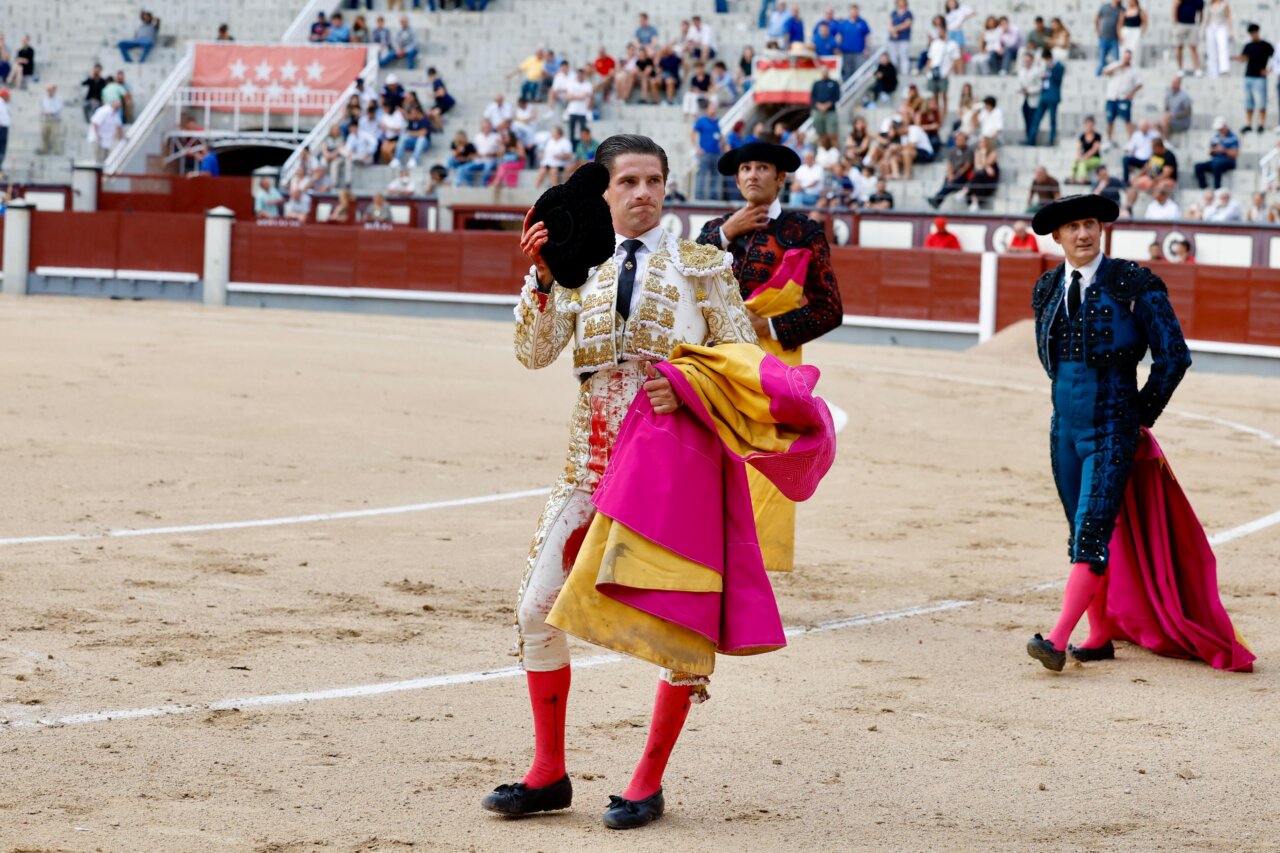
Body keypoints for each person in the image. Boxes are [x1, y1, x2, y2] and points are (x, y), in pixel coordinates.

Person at [489, 133, 760, 831]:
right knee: (535, 609)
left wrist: (689, 384)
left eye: (654, 181)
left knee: (679, 628)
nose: (643, 193)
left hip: (672, 471)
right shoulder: (577, 266)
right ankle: (548, 773)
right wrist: (542, 279)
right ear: (604, 192)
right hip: (589, 462)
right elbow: (532, 354)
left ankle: (647, 781)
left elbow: (745, 362)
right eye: (628, 182)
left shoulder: (702, 265)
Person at [1026, 193, 1204, 674]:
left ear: (1101, 229)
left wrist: (1139, 415)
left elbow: (1174, 357)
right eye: (1073, 227)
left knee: (1091, 534)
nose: (1083, 234)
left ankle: (1057, 639)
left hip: (1111, 428)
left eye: (1090, 224)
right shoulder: (1047, 288)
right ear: (1058, 236)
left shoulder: (1133, 283)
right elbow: (1050, 362)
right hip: (1064, 430)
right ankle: (1100, 634)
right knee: (1081, 532)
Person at [696, 140, 843, 571]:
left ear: (780, 178)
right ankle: (709, 548)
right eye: (745, 169)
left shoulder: (803, 231)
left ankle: (757, 558)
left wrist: (770, 326)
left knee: (767, 452)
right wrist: (727, 233)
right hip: (719, 360)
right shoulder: (714, 229)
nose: (752, 175)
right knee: (713, 449)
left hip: (772, 365)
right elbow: (687, 279)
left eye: (762, 168)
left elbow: (830, 308)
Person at [1236, 24, 1274, 134]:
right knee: (1249, 102)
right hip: (1249, 76)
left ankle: (1261, 124)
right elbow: (1244, 58)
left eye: (1255, 32)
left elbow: (1276, 58)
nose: (1254, 35)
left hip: (1260, 78)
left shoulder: (1266, 45)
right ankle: (1249, 124)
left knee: (1262, 102)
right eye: (1252, 33)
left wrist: (1269, 70)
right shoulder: (1248, 46)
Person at [1102, 50, 1142, 145]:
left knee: (1127, 119)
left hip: (1124, 97)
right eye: (1125, 57)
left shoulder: (1134, 70)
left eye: (1128, 57)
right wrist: (1119, 66)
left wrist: (1131, 94)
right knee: (1109, 119)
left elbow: (1139, 83)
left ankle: (1131, 142)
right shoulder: (1116, 65)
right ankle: (1109, 140)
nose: (1126, 59)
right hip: (1112, 97)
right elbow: (1104, 72)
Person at [926, 16, 961, 123]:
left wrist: (950, 71)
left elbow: (955, 59)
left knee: (943, 95)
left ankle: (943, 115)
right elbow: (930, 58)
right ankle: (937, 115)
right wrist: (928, 70)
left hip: (944, 73)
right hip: (934, 72)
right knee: (935, 95)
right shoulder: (934, 43)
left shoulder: (952, 44)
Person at [1125, 136, 1177, 209]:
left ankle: (1158, 210)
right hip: (1152, 178)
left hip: (1167, 180)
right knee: (1135, 184)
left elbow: (1166, 174)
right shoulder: (1154, 154)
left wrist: (1154, 182)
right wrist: (1136, 177)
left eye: (1153, 147)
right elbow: (1146, 168)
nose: (1152, 149)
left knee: (1159, 188)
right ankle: (1129, 207)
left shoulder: (1169, 156)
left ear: (1158, 146)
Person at [1026, 49, 1065, 146]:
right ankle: (1030, 140)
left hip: (1053, 96)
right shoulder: (1045, 67)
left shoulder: (1059, 66)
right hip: (1044, 95)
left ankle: (1051, 141)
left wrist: (1052, 69)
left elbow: (1058, 79)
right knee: (1036, 119)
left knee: (1052, 120)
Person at [927, 129, 973, 208]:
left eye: (961, 139)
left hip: (963, 176)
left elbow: (966, 166)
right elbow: (949, 164)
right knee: (947, 180)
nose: (959, 141)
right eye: (958, 139)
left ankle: (937, 199)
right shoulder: (952, 151)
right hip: (954, 174)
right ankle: (938, 200)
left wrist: (955, 176)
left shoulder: (969, 151)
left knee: (952, 182)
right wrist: (950, 174)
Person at [692, 100, 724, 200]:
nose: (713, 109)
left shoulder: (716, 121)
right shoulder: (702, 120)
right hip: (705, 153)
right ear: (707, 109)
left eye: (714, 107)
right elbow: (692, 133)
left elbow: (720, 136)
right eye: (711, 107)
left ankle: (713, 196)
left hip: (716, 153)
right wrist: (697, 148)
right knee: (702, 174)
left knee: (715, 175)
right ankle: (699, 195)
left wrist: (721, 146)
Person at [1194, 116, 1238, 188]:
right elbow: (1210, 151)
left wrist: (1224, 150)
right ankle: (1204, 188)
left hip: (1228, 161)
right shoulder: (1216, 137)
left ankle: (1217, 188)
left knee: (1217, 165)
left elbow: (1235, 155)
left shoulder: (1233, 137)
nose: (1219, 131)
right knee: (1198, 166)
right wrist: (1212, 150)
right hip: (1215, 160)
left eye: (1221, 129)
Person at [838, 5, 873, 78]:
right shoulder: (844, 23)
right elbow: (839, 36)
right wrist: (839, 48)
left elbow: (867, 36)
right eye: (852, 11)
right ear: (849, 12)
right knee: (847, 71)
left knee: (858, 71)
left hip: (859, 52)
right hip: (846, 52)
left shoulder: (862, 22)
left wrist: (866, 48)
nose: (854, 13)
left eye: (855, 11)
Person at [810, 64, 840, 141]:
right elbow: (813, 97)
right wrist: (819, 105)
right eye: (823, 71)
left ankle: (835, 148)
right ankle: (822, 148)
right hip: (818, 111)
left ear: (829, 71)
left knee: (832, 134)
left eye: (826, 71)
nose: (824, 73)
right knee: (820, 134)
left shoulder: (834, 83)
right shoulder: (816, 84)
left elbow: (837, 97)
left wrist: (827, 105)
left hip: (830, 111)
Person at [1069, 116, 1103, 184]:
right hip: (1084, 157)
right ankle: (1072, 179)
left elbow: (1094, 149)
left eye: (1091, 124)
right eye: (1088, 124)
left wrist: (1084, 157)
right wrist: (1079, 156)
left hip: (1095, 158)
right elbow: (1079, 148)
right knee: (1075, 162)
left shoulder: (1097, 136)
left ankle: (1083, 179)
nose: (1089, 126)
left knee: (1082, 163)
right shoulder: (1082, 136)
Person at [1174, 0, 1204, 74]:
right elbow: (1175, 6)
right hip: (1181, 24)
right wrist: (1176, 22)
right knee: (1179, 47)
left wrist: (1200, 22)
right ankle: (1180, 69)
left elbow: (1201, 11)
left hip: (1192, 25)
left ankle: (1197, 69)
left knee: (1193, 47)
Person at [87, 99, 122, 164]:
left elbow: (118, 125)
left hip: (106, 140)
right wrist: (97, 134)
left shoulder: (115, 113)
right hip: (98, 139)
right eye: (117, 106)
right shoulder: (104, 111)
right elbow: (95, 122)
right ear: (113, 104)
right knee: (98, 160)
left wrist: (120, 136)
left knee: (105, 160)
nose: (118, 108)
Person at [1204, 0, 1232, 78]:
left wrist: (1230, 30)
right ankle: (1212, 70)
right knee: (1211, 49)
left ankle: (1224, 68)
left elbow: (1228, 17)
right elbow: (1207, 18)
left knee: (1223, 47)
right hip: (1211, 27)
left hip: (1221, 26)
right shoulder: (1210, 5)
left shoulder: (1225, 4)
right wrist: (1204, 29)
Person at [1159, 74, 1193, 139]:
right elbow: (1166, 109)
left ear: (1179, 84)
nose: (1173, 85)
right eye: (1172, 83)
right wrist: (1167, 115)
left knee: (1166, 123)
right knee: (1157, 125)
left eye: (1175, 83)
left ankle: (1165, 141)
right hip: (1170, 119)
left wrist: (1174, 115)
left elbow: (1188, 112)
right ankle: (1160, 141)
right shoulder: (1169, 95)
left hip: (1182, 121)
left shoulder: (1184, 96)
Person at [1095, 0, 1122, 75]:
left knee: (1116, 61)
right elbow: (1097, 19)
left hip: (1115, 39)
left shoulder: (1122, 9)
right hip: (1104, 38)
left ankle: (1117, 77)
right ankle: (1098, 77)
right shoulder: (1104, 7)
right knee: (1101, 61)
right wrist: (1097, 30)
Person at [887, 0, 913, 76]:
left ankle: (905, 73)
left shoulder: (908, 14)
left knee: (904, 56)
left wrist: (895, 29)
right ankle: (893, 73)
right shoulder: (893, 13)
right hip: (893, 39)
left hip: (903, 39)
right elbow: (889, 24)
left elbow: (907, 24)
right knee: (893, 57)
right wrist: (893, 32)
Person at [1119, 0, 1147, 65]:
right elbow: (1120, 24)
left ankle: (1134, 66)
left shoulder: (1141, 11)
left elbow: (1144, 23)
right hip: (1125, 32)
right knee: (1123, 51)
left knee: (1135, 51)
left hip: (1136, 32)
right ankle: (1124, 66)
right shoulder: (1124, 11)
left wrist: (1141, 32)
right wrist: (1120, 36)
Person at [38, 84, 63, 156]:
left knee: (55, 135)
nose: (50, 92)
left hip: (55, 120)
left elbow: (58, 109)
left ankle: (58, 151)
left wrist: (48, 112)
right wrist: (43, 113)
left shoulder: (59, 98)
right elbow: (42, 107)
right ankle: (45, 150)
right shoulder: (44, 98)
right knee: (44, 134)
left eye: (51, 90)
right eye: (48, 90)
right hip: (45, 119)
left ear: (54, 90)